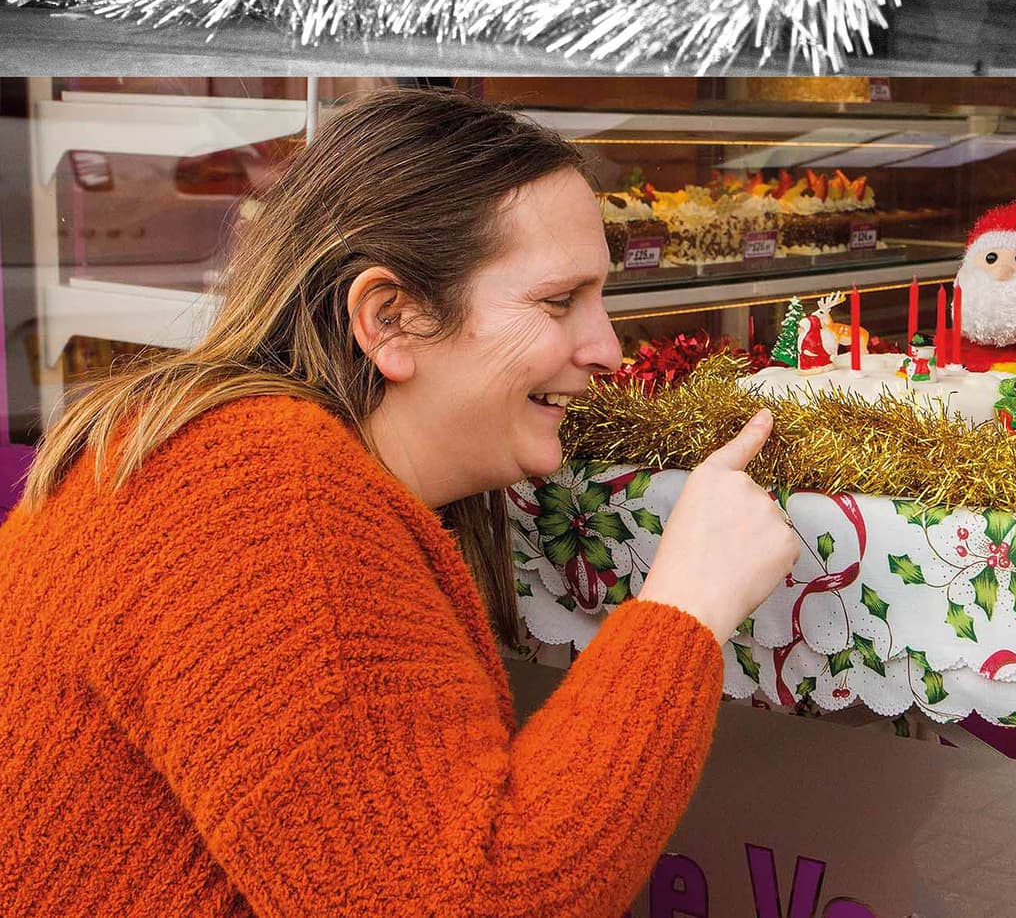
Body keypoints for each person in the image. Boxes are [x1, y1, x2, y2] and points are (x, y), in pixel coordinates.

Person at [0, 87, 798, 918]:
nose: (607, 349)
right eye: (559, 301)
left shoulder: (255, 459)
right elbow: (472, 900)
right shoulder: (263, 496)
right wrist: (685, 608)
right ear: (389, 319)